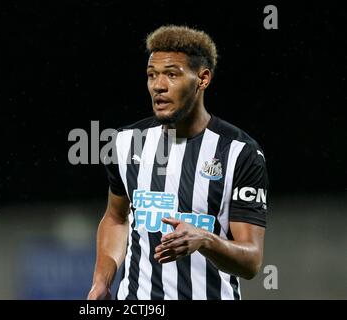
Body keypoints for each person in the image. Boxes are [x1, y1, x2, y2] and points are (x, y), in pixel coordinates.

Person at [87, 25, 268, 300]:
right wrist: (102, 280)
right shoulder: (125, 143)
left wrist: (205, 239)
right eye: (152, 75)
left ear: (202, 79)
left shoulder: (240, 153)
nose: (158, 86)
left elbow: (251, 261)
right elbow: (115, 218)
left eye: (172, 74)